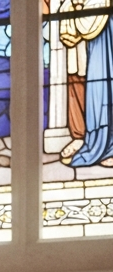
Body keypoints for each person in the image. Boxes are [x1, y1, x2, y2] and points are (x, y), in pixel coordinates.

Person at [60, 0, 113, 167]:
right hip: (77, 46)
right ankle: (79, 136)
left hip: (102, 37)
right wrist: (71, 6)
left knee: (103, 89)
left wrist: (77, 8)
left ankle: (107, 144)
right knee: (75, 84)